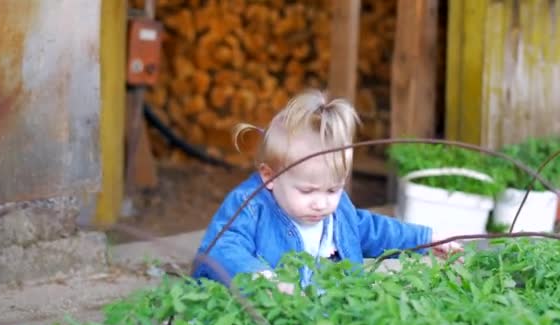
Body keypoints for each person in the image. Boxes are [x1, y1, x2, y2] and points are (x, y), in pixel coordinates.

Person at [191, 89, 462, 294]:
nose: (321, 203)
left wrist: (427, 239)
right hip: (270, 323)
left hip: (328, 320)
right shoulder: (250, 206)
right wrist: (260, 276)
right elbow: (220, 249)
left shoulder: (339, 211)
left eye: (333, 189)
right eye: (307, 191)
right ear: (269, 177)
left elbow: (374, 230)